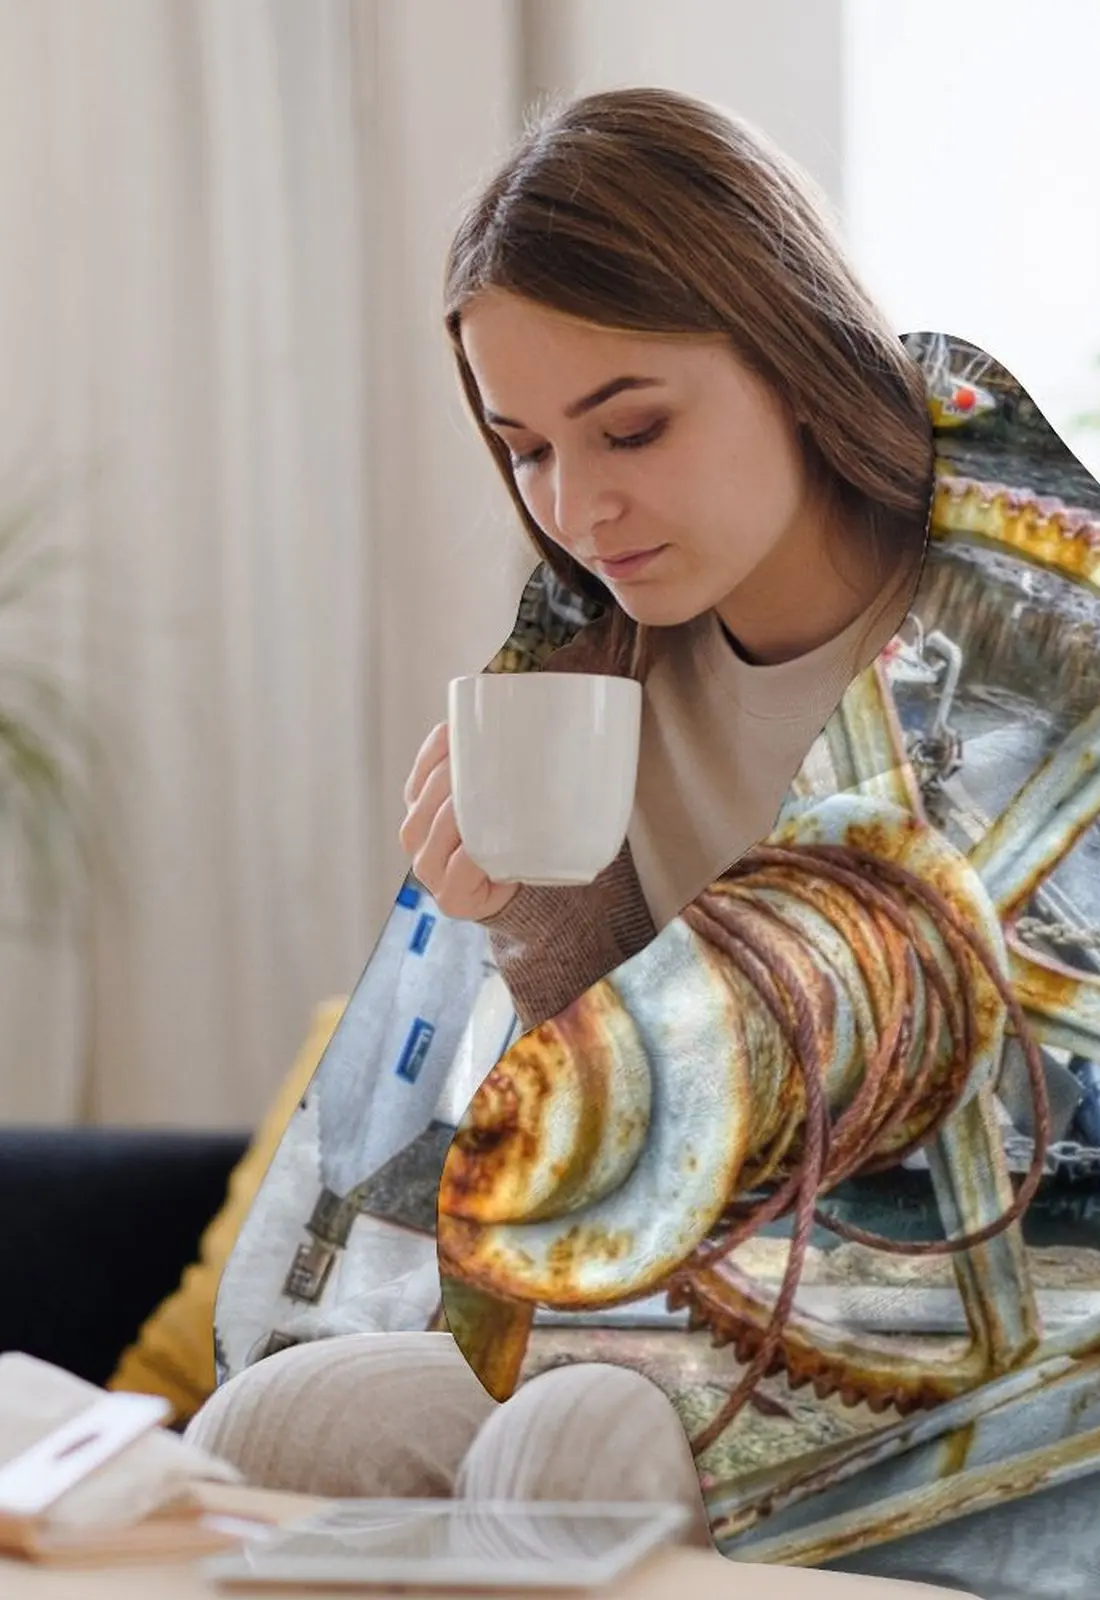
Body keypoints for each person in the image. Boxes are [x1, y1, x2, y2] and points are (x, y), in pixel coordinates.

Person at [184, 85, 936, 1546]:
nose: (577, 509)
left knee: (585, 1434)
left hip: (970, 1306)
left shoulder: (1023, 637)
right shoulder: (595, 674)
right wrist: (533, 927)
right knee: (274, 1427)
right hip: (678, 1300)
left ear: (789, 351)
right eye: (526, 448)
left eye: (631, 428)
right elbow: (612, 1153)